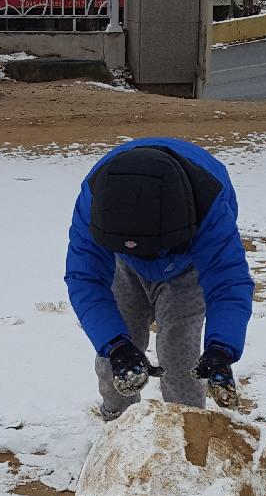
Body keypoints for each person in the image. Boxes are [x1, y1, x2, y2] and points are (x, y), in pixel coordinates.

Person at [65, 138, 253, 419]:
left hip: (186, 264)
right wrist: (115, 345)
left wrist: (221, 349)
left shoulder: (209, 202)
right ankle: (117, 423)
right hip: (123, 262)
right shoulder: (95, 200)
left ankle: (186, 427)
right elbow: (85, 278)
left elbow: (228, 282)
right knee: (116, 359)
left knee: (181, 358)